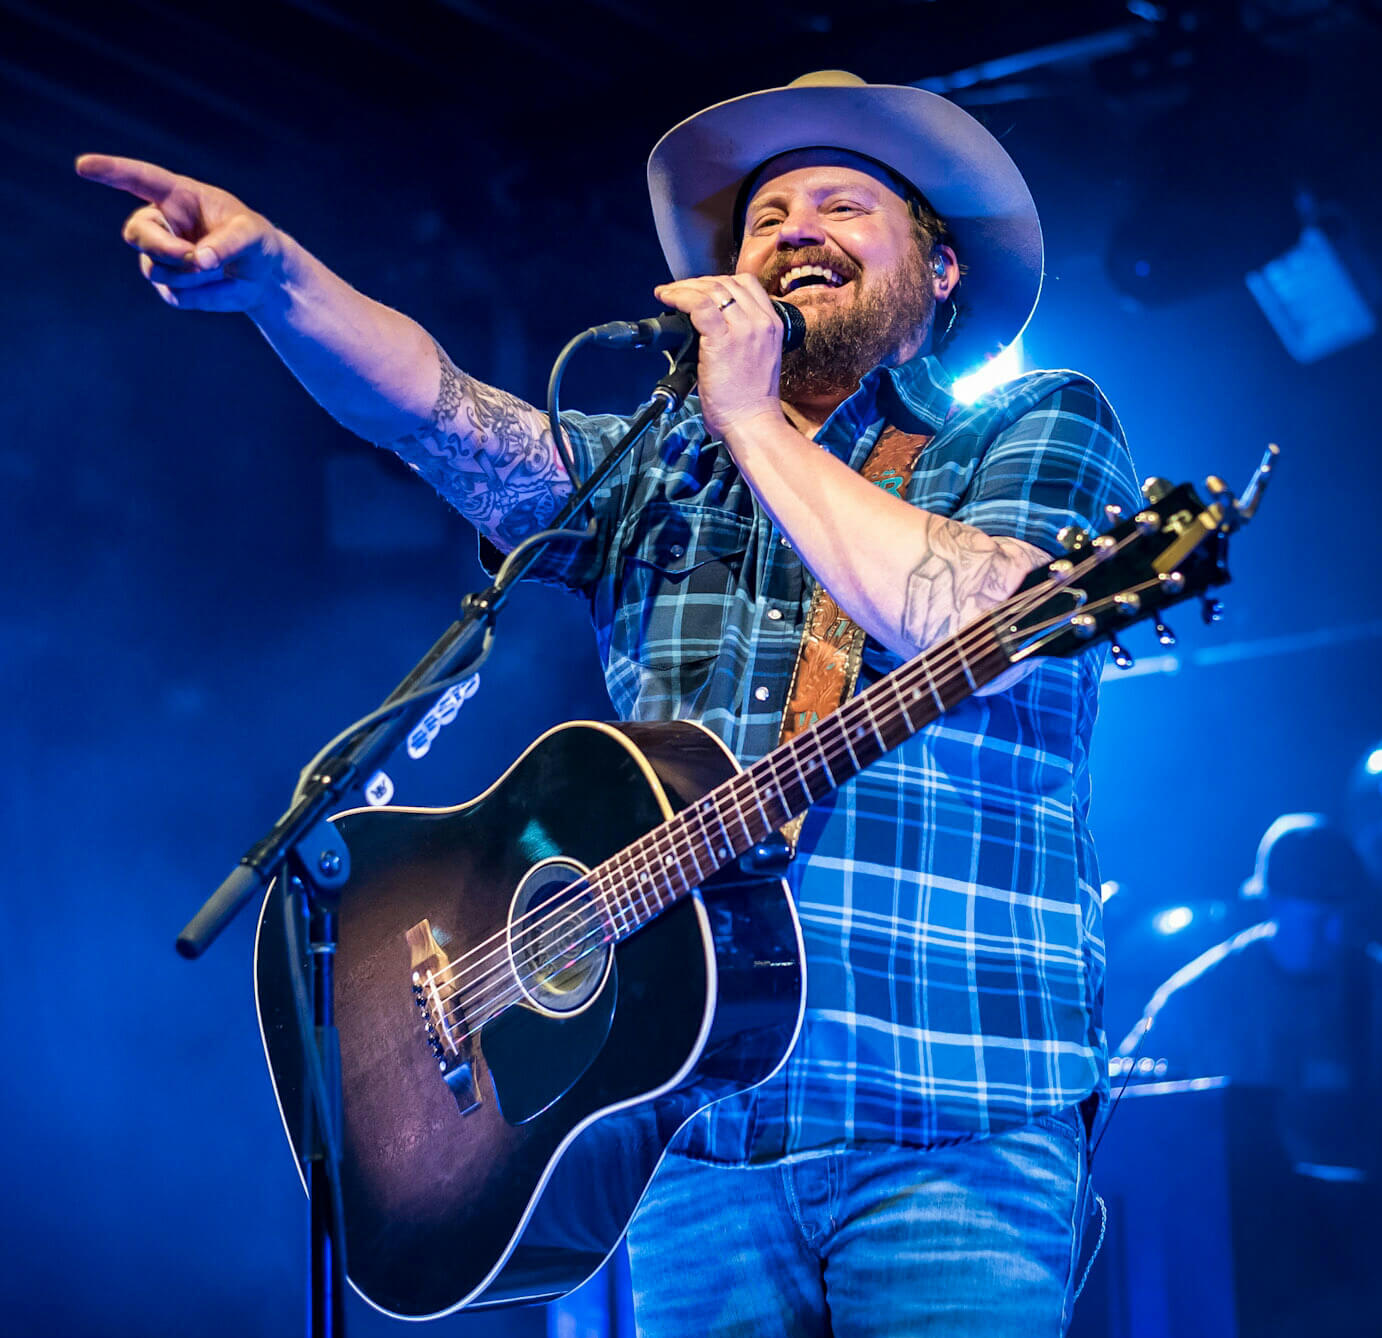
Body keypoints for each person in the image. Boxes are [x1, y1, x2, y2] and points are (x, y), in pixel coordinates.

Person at [82, 70, 1140, 1337]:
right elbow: (436, 410)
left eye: (841, 203)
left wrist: (749, 414)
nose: (793, 225)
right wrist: (279, 283)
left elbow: (967, 623)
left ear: (940, 268)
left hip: (950, 1121)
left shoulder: (1031, 427)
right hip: (687, 1145)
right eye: (766, 213)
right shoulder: (660, 467)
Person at [1118, 813, 1382, 1180]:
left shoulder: (1379, 986)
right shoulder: (1201, 995)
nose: (1337, 937)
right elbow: (1125, 1091)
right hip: (1240, 1210)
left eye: (1345, 919)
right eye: (1319, 922)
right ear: (1271, 903)